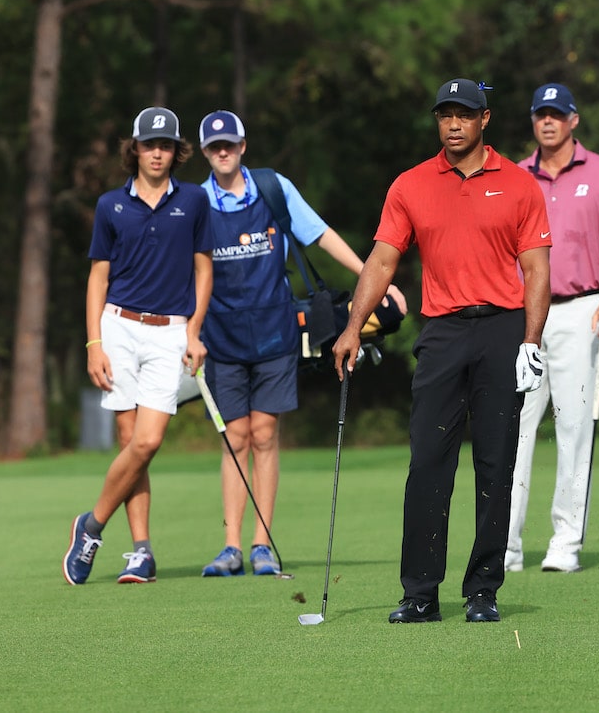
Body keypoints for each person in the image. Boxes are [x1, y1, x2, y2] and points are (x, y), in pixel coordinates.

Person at [330, 78, 551, 624]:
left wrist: (530, 339)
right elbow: (381, 262)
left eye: (464, 115)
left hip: (502, 330)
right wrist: (352, 327)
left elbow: (537, 269)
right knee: (428, 461)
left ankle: (482, 591)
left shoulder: (520, 184)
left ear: (485, 120)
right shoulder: (410, 185)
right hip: (442, 333)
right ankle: (421, 593)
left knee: (495, 464)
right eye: (444, 115)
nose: (453, 124)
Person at [195, 110, 406, 578]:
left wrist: (373, 279)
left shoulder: (273, 189)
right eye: (214, 147)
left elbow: (322, 234)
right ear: (206, 153)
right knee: (235, 437)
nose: (223, 152)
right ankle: (230, 547)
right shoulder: (196, 203)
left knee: (265, 434)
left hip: (274, 331)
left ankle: (262, 544)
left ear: (243, 146)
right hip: (220, 338)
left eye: (229, 143)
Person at [63, 106, 213, 585]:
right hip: (118, 329)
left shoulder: (193, 200)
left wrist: (193, 331)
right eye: (149, 144)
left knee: (147, 442)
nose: (157, 153)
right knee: (131, 444)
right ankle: (142, 552)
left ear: (176, 152)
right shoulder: (111, 205)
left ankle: (90, 525)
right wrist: (93, 343)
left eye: (165, 145)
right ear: (135, 149)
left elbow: (204, 269)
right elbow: (97, 277)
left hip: (170, 330)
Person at [506, 83, 599, 574]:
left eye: (557, 115)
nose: (548, 122)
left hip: (581, 309)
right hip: (523, 315)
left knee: (574, 428)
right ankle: (506, 547)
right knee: (512, 430)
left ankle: (565, 543)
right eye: (541, 114)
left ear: (573, 120)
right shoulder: (515, 176)